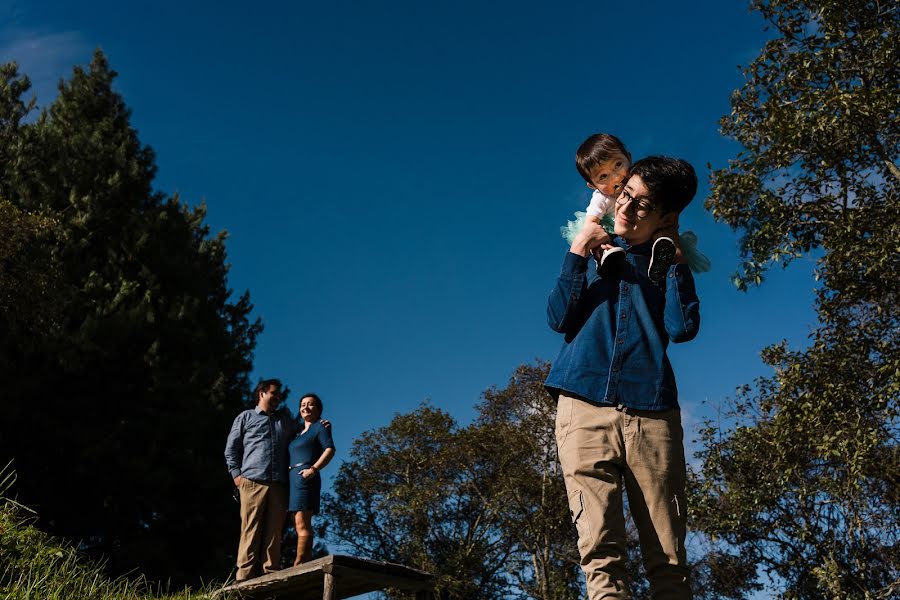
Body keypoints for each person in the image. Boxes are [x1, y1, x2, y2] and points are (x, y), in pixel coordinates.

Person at [546, 156, 701, 599]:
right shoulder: (594, 248)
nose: (627, 212)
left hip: (652, 412)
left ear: (666, 217)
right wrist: (579, 251)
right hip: (582, 404)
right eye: (625, 196)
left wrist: (674, 260)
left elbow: (681, 327)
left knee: (668, 559)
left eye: (642, 207)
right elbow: (558, 317)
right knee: (600, 555)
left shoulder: (667, 261)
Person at [566, 133, 677, 284]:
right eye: (603, 176)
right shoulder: (602, 198)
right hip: (613, 232)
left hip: (641, 228)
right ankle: (603, 256)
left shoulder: (639, 182)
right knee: (596, 237)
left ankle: (659, 259)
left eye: (618, 165)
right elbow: (591, 223)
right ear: (593, 186)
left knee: (661, 231)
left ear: (629, 158)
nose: (616, 177)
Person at [224, 379, 293, 581]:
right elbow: (231, 449)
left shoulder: (284, 421)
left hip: (278, 485)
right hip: (252, 482)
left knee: (274, 532)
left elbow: (301, 435)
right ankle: (243, 578)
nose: (278, 397)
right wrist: (237, 476)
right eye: (274, 393)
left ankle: (270, 576)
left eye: (279, 394)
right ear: (262, 393)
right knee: (250, 530)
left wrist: (318, 424)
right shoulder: (246, 417)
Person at [288, 393, 335, 565]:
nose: (305, 407)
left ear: (318, 409)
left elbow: (330, 449)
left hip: (305, 477)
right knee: (296, 523)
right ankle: (303, 561)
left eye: (310, 404)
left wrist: (313, 469)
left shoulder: (320, 427)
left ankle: (300, 563)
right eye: (302, 405)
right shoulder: (298, 433)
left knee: (302, 522)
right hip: (292, 479)